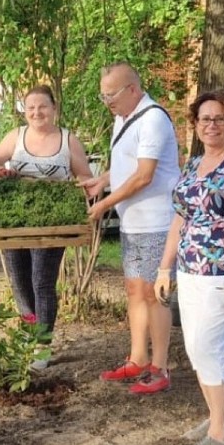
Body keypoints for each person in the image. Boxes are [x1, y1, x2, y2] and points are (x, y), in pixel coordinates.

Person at [155, 89, 224, 445]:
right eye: (204, 119)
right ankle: (216, 416)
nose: (211, 124)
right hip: (189, 269)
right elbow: (179, 220)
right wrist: (164, 267)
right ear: (196, 125)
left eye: (219, 118)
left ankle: (220, 435)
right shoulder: (193, 164)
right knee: (194, 350)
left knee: (208, 349)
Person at [80, 62, 180, 394]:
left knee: (156, 295)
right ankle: (137, 357)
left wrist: (105, 204)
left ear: (133, 90)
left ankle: (160, 367)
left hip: (156, 223)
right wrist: (103, 180)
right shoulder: (122, 118)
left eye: (110, 94)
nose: (106, 100)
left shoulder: (152, 119)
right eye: (102, 94)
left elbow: (144, 175)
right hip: (132, 223)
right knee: (135, 291)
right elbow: (127, 166)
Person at [0, 85, 94, 369]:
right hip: (14, 221)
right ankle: (29, 334)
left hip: (51, 222)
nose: (36, 112)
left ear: (54, 109)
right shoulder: (16, 136)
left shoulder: (68, 140)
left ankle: (41, 346)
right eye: (30, 107)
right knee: (19, 280)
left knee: (42, 281)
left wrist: (80, 199)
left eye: (42, 106)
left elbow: (85, 178)